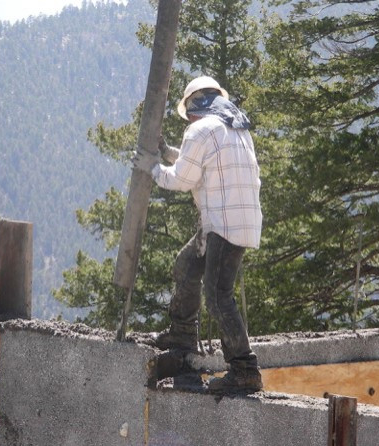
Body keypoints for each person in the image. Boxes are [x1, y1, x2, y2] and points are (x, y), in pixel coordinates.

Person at [133, 76, 263, 393]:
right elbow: (199, 163)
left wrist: (150, 166)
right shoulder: (232, 126)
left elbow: (181, 179)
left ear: (193, 105)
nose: (188, 119)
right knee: (187, 266)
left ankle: (245, 369)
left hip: (223, 226)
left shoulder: (200, 128)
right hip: (235, 220)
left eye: (188, 113)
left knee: (218, 297)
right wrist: (166, 153)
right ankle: (182, 334)